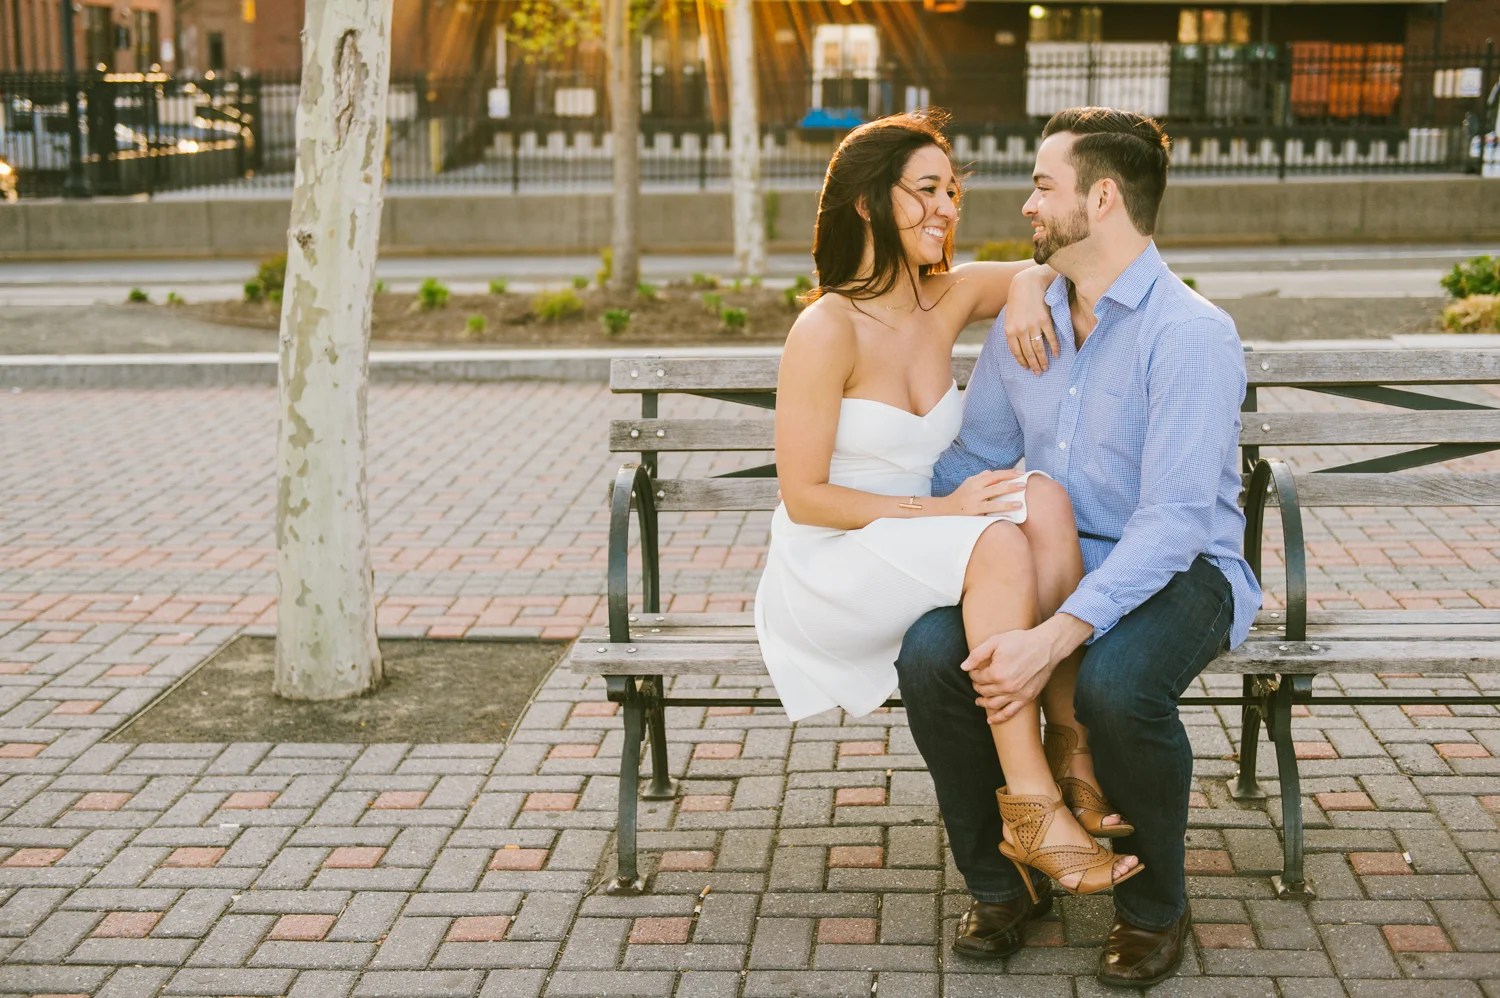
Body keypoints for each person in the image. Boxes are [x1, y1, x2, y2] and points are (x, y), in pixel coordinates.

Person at [895, 106, 1262, 987]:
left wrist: (1057, 635)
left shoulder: (1190, 334)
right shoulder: (1029, 321)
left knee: (1116, 681)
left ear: (1101, 198)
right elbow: (976, 455)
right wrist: (894, 502)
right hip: (1050, 556)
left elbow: (1175, 521)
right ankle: (1008, 880)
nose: (1026, 203)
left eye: (1041, 185)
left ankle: (1153, 909)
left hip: (1184, 570)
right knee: (931, 657)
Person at [755, 110, 1143, 906]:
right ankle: (1031, 804)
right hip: (833, 562)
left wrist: (1031, 292)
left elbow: (1042, 268)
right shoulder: (825, 328)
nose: (946, 208)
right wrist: (943, 514)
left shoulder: (949, 296)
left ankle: (1071, 741)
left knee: (1044, 496)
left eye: (954, 191)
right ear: (867, 202)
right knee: (998, 542)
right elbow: (805, 497)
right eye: (925, 189)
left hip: (915, 540)